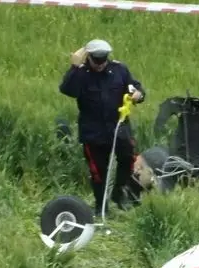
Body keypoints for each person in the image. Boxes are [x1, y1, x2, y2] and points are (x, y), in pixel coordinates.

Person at [59, 39, 146, 214]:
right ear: (88, 57)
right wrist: (74, 67)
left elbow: (135, 88)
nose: (100, 65)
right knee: (98, 172)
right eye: (96, 61)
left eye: (103, 60)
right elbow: (68, 90)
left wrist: (138, 94)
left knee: (128, 160)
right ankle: (101, 206)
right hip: (94, 132)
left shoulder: (119, 70)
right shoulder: (81, 74)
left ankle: (118, 194)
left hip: (119, 128)